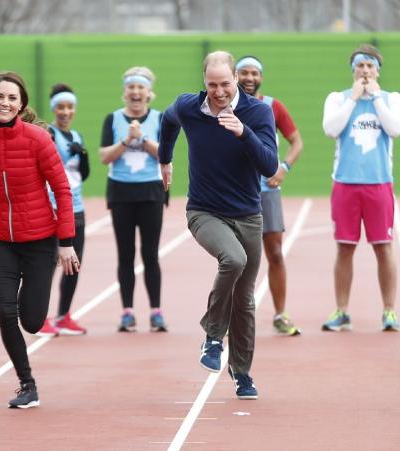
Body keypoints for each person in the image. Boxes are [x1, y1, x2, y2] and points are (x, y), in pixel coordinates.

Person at [0, 71, 79, 408]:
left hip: (40, 242)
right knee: (5, 312)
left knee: (32, 321)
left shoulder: (38, 139)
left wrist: (65, 241)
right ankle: (27, 383)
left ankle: (33, 315)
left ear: (21, 104)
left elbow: (62, 189)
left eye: (12, 98)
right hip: (2, 243)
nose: (4, 103)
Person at [159, 50, 278, 400]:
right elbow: (167, 122)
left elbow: (270, 165)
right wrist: (164, 160)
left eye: (225, 83)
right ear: (204, 82)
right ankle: (212, 336)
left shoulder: (257, 113)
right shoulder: (189, 107)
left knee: (244, 300)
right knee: (233, 260)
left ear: (236, 79)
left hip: (248, 215)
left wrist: (244, 133)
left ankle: (242, 373)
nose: (219, 91)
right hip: (204, 212)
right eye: (212, 84)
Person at [321, 44, 400, 332]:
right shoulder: (337, 98)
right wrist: (354, 100)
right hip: (345, 184)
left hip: (378, 185)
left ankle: (390, 311)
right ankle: (342, 310)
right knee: (344, 248)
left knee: (384, 247)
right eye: (360, 66)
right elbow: (331, 129)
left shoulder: (392, 99)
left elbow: (395, 129)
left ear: (378, 71)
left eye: (370, 66)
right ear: (353, 70)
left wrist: (377, 98)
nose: (365, 71)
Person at [235, 55, 304, 336]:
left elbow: (297, 141)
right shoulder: (224, 105)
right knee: (235, 258)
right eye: (244, 73)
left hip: (266, 190)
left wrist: (284, 167)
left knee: (274, 253)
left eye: (254, 73)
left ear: (261, 77)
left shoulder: (273, 106)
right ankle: (234, 316)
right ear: (235, 76)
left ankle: (280, 314)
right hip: (235, 192)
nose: (249, 78)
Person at [99, 66, 167, 333]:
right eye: (131, 88)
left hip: (151, 192)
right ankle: (127, 312)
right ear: (124, 93)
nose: (136, 92)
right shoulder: (113, 119)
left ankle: (156, 312)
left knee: (150, 254)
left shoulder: (160, 119)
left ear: (149, 93)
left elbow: (165, 154)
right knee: (125, 255)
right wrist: (127, 139)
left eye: (141, 88)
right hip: (121, 193)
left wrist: (144, 138)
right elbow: (104, 156)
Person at [37, 83, 91, 337]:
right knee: (48, 265)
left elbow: (83, 175)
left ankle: (63, 316)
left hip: (76, 208)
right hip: (53, 209)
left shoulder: (77, 136)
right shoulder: (48, 134)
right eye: (60, 107)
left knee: (74, 265)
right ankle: (41, 317)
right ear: (53, 109)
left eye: (70, 107)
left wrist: (84, 155)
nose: (65, 111)